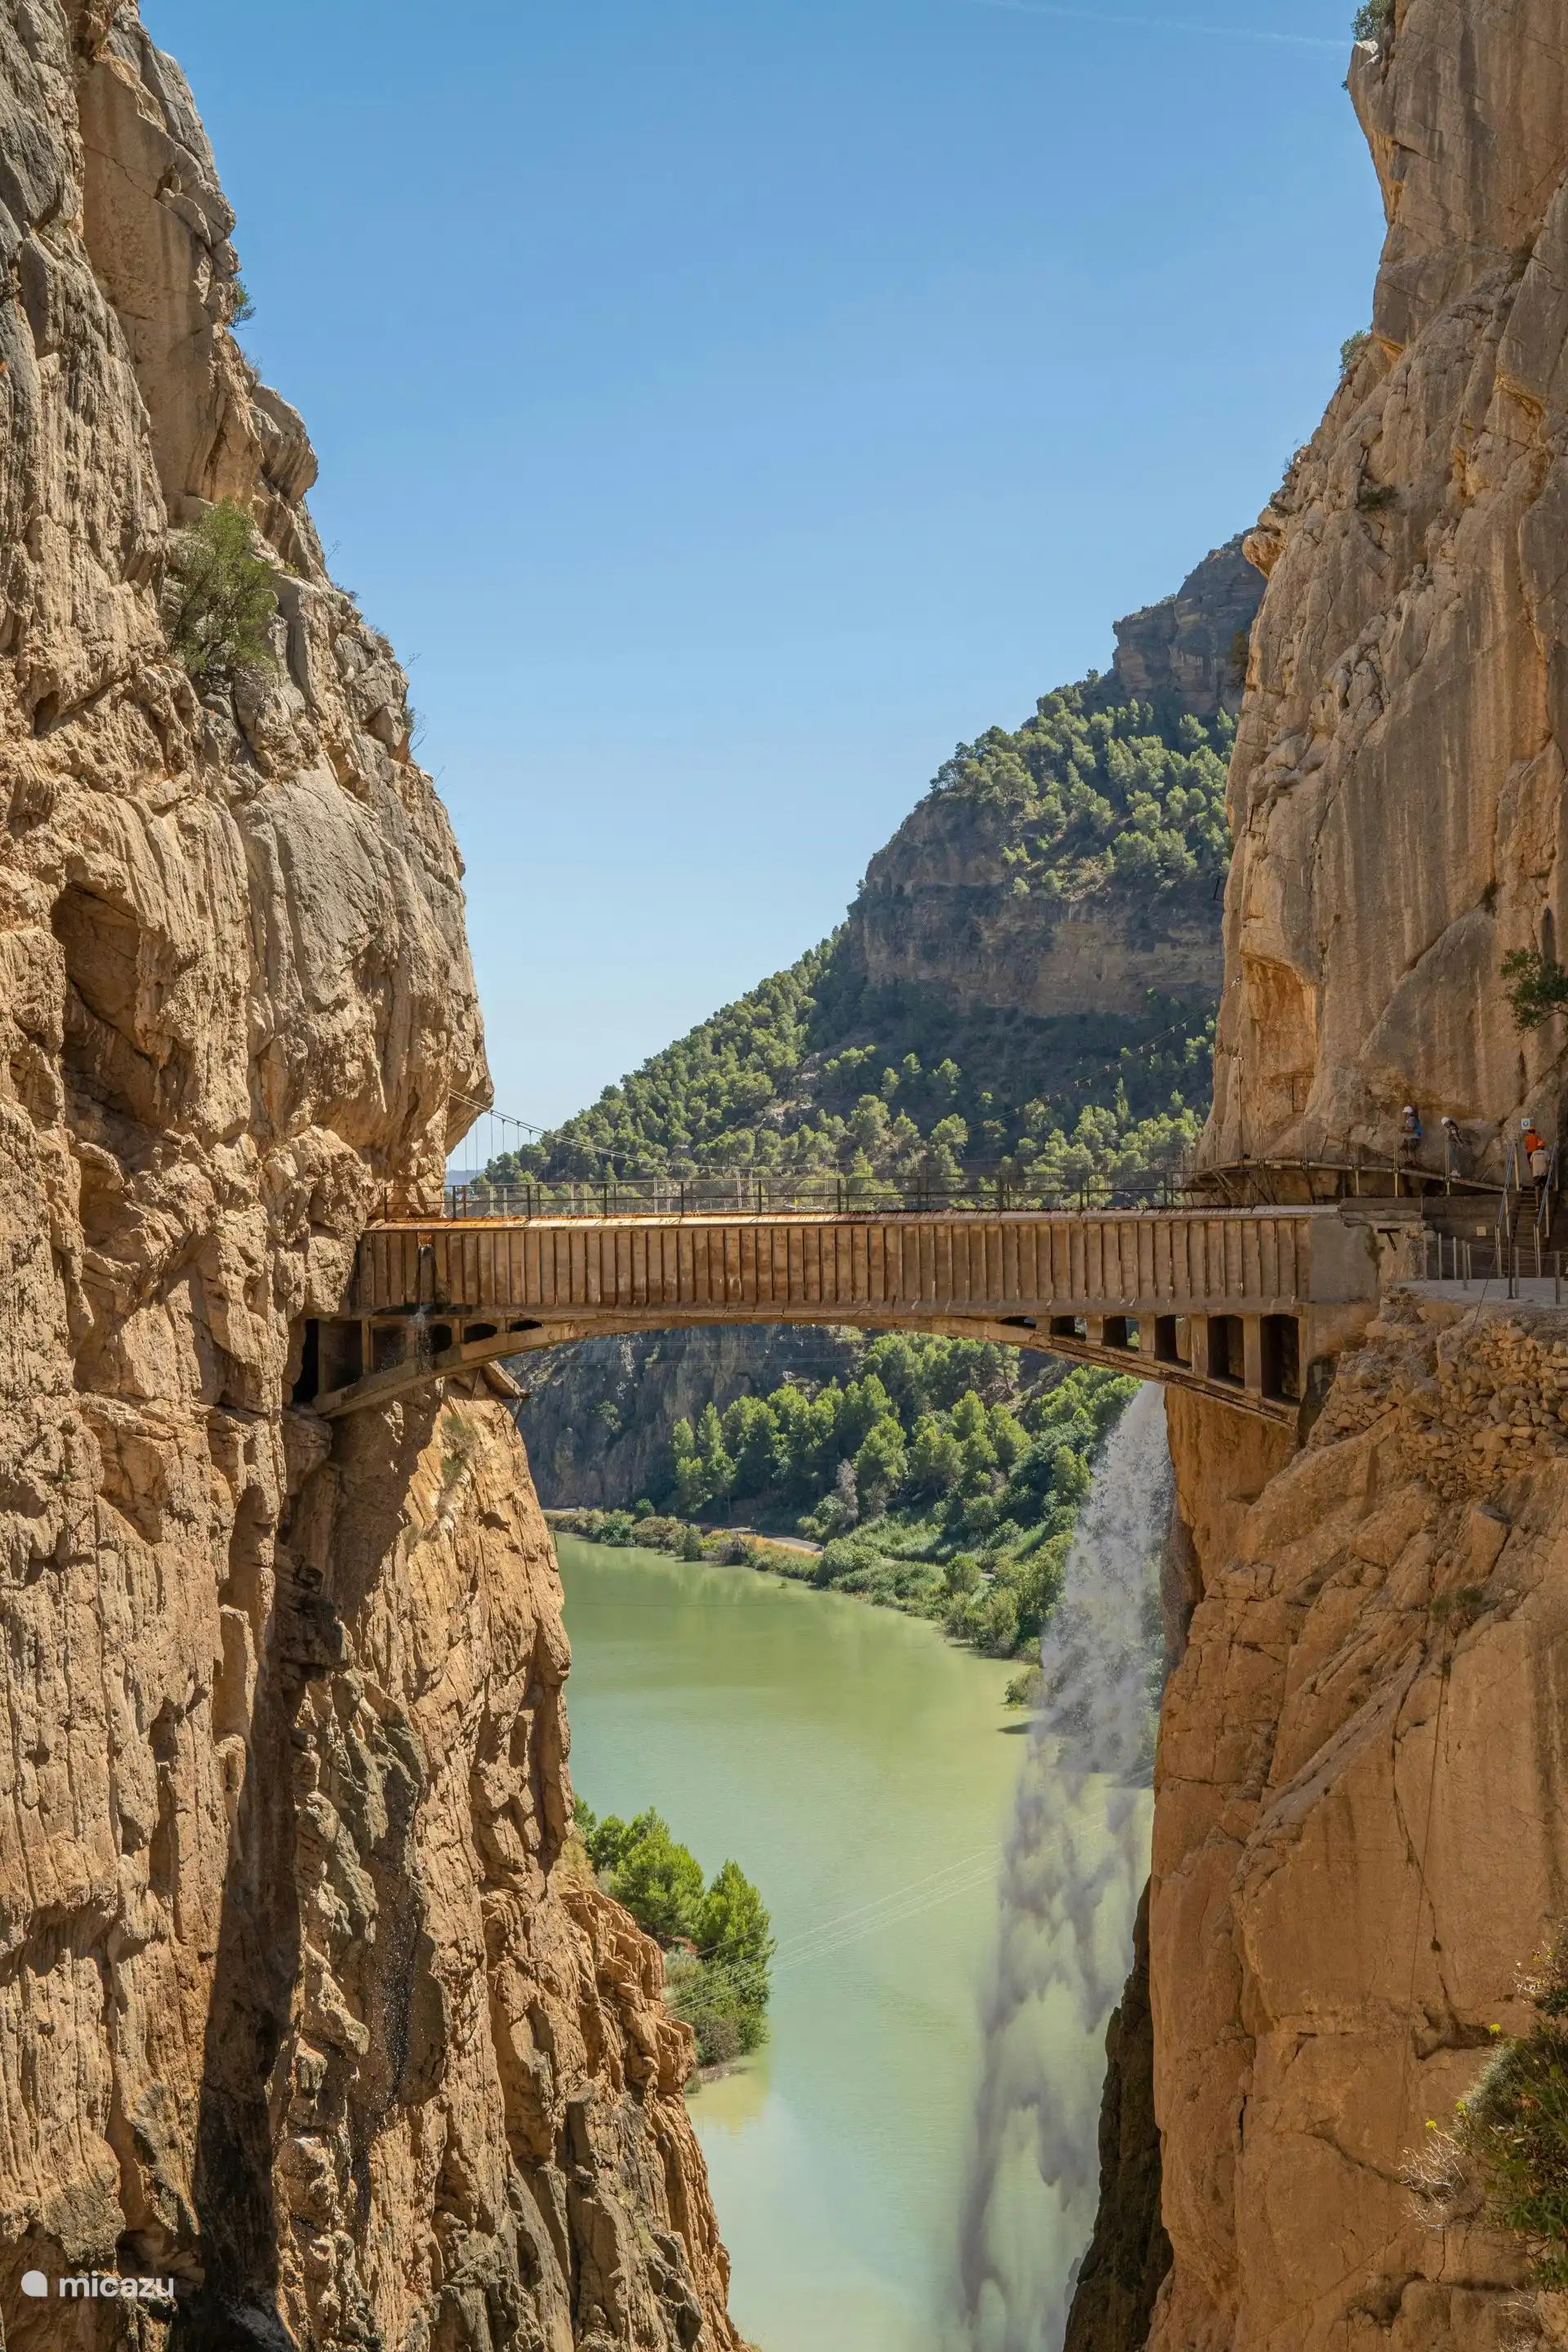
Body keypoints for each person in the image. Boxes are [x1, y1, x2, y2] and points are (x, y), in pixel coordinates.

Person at [1523, 1116, 1551, 1214]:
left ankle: (1534, 1178)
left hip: (1531, 1154)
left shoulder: (1526, 1137)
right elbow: (1549, 1162)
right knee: (1544, 1184)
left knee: (1532, 1166)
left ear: (1528, 1131)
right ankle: (1545, 1201)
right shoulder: (1537, 1137)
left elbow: (1526, 1146)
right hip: (1536, 1152)